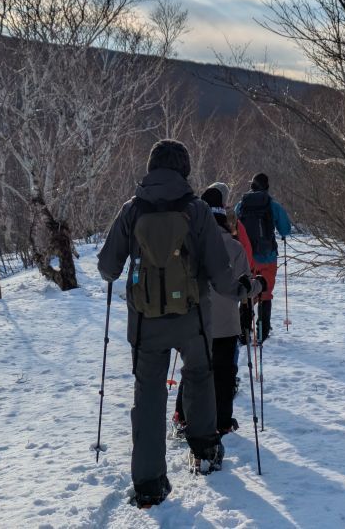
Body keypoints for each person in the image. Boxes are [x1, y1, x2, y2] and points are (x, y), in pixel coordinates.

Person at [97, 140, 254, 507]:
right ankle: (204, 450)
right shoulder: (197, 210)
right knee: (199, 376)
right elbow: (219, 273)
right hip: (193, 318)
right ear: (184, 170)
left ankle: (150, 483)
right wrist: (242, 289)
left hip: (145, 323)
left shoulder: (131, 210)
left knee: (149, 394)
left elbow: (107, 267)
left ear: (151, 168)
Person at [173, 187, 264, 435]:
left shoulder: (189, 246)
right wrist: (260, 286)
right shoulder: (234, 248)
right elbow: (244, 287)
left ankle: (182, 415)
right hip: (226, 324)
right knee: (223, 376)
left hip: (194, 322)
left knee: (192, 372)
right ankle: (222, 421)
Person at [235, 173, 292, 341]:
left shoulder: (241, 205)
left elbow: (234, 228)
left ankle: (243, 331)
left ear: (251, 186)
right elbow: (285, 229)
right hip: (268, 258)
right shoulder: (272, 205)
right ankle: (263, 331)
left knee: (247, 292)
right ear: (267, 187)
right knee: (265, 292)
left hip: (247, 258)